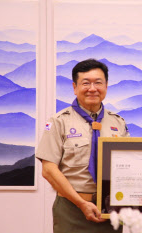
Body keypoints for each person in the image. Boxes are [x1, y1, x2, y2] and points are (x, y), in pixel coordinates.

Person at [36, 59, 129, 233]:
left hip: (110, 210)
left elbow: (129, 168)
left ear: (106, 86)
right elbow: (48, 170)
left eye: (98, 83)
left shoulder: (118, 122)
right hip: (71, 209)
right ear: (74, 87)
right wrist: (81, 203)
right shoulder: (58, 122)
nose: (92, 88)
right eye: (86, 83)